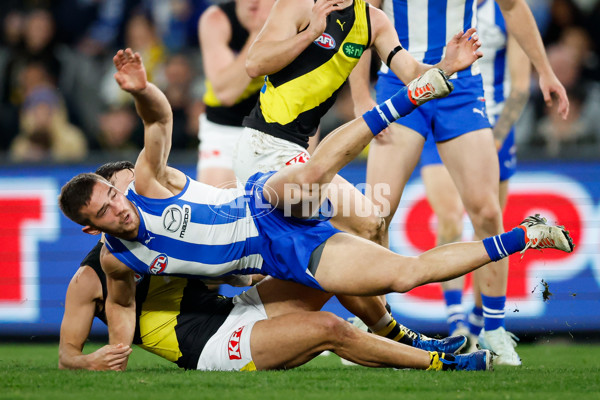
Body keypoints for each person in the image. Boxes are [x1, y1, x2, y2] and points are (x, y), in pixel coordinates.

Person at [57, 49, 573, 371]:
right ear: (90, 227)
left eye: (113, 194)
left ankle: (419, 90)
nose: (119, 208)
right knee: (403, 275)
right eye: (106, 211)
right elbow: (123, 306)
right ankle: (524, 236)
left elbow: (158, 122)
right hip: (278, 256)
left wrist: (142, 89)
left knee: (311, 176)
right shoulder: (116, 261)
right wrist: (111, 356)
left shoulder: (146, 184)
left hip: (260, 203)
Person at [58, 161, 487, 372]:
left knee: (325, 269)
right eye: (112, 201)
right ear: (92, 227)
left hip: (233, 311)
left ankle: (401, 336)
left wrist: (252, 269)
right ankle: (438, 367)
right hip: (206, 347)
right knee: (330, 331)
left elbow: (217, 270)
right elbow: (68, 355)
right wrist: (95, 361)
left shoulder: (166, 228)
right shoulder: (100, 270)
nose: (126, 204)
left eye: (124, 193)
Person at [238, 0, 484, 349]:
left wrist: (446, 66)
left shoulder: (374, 21)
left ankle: (384, 332)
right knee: (364, 225)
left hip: (297, 154)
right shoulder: (298, 5)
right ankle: (392, 335)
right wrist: (311, 33)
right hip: (263, 148)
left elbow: (412, 72)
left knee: (327, 245)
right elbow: (254, 64)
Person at [351, 0, 569, 366]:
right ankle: (369, 320)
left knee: (486, 211)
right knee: (375, 214)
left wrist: (544, 71)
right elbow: (363, 19)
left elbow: (514, 8)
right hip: (401, 83)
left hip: (460, 87)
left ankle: (494, 330)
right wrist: (360, 95)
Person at [418, 0, 532, 350]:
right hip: (444, 115)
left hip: (493, 126)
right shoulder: (440, 9)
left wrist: (495, 137)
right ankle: (456, 321)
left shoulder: (508, 8)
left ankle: (483, 324)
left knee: (489, 222)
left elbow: (521, 87)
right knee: (449, 217)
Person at [196, 0, 273, 187]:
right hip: (225, 129)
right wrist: (259, 33)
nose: (255, 1)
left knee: (292, 209)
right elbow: (226, 93)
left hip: (277, 130)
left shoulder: (296, 16)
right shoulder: (216, 20)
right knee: (216, 209)